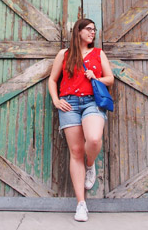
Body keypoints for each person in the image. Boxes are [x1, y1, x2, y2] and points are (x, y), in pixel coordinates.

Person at [48, 18, 114, 222]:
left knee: (93, 139)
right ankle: (81, 204)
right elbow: (52, 80)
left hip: (92, 102)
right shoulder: (64, 54)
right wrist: (56, 100)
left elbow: (110, 78)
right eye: (89, 29)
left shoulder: (98, 53)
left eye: (94, 30)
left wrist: (95, 76)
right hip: (69, 104)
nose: (93, 33)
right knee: (76, 151)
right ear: (78, 31)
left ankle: (90, 163)